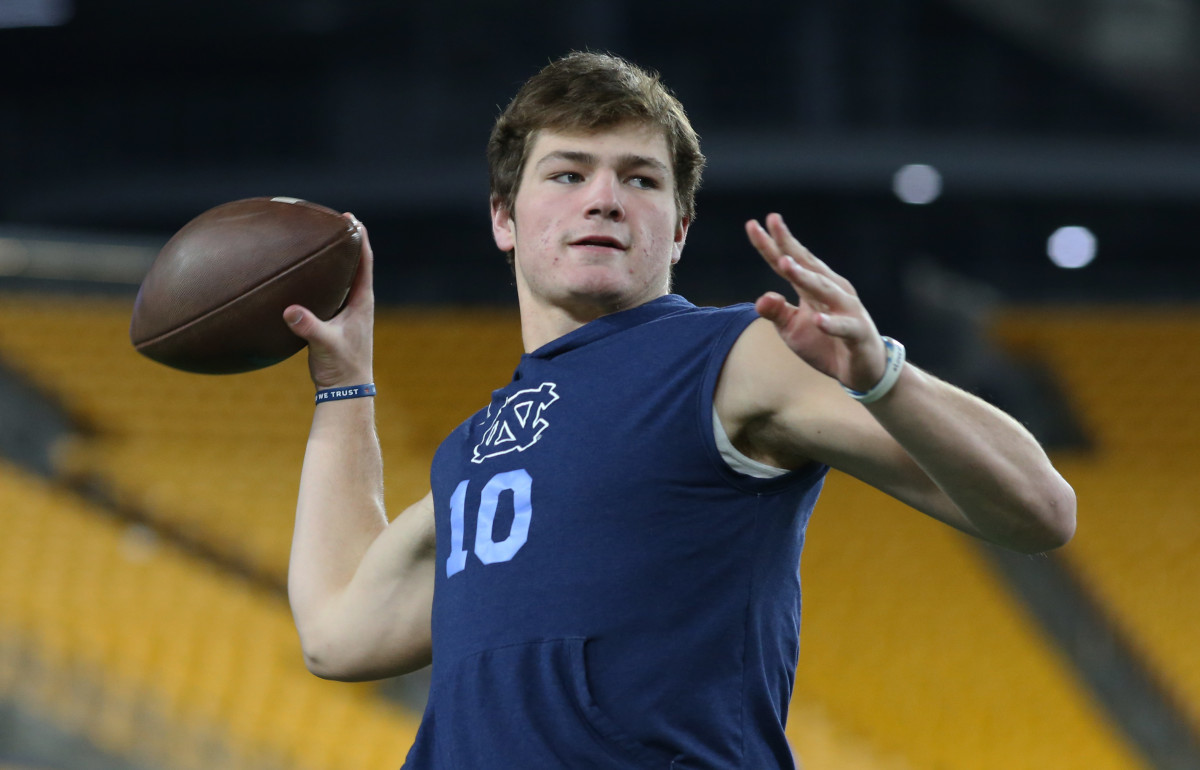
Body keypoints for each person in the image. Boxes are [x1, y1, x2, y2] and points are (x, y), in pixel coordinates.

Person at [282, 52, 1076, 769]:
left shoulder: (732, 354)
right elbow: (338, 632)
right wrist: (344, 384)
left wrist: (881, 375)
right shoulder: (476, 449)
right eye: (567, 174)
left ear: (680, 229)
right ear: (504, 218)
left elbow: (1039, 509)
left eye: (640, 179)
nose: (604, 200)